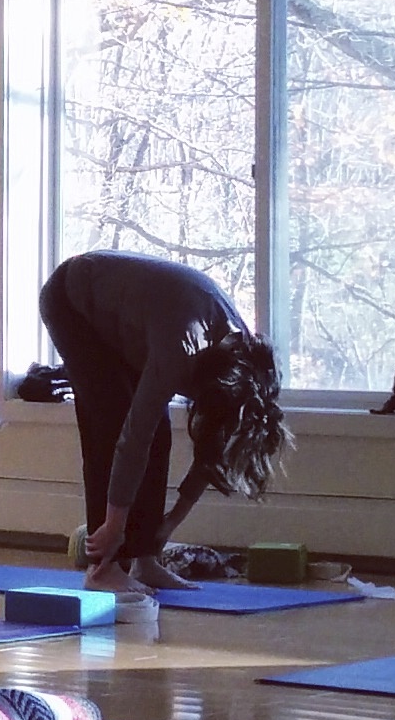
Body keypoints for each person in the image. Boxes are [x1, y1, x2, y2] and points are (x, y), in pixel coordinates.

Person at [38, 250, 288, 611]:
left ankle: (145, 560)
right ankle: (102, 568)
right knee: (111, 424)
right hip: (73, 300)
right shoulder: (181, 348)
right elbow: (132, 440)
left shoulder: (247, 366)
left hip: (137, 317)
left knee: (159, 432)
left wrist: (168, 525)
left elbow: (213, 445)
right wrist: (113, 525)